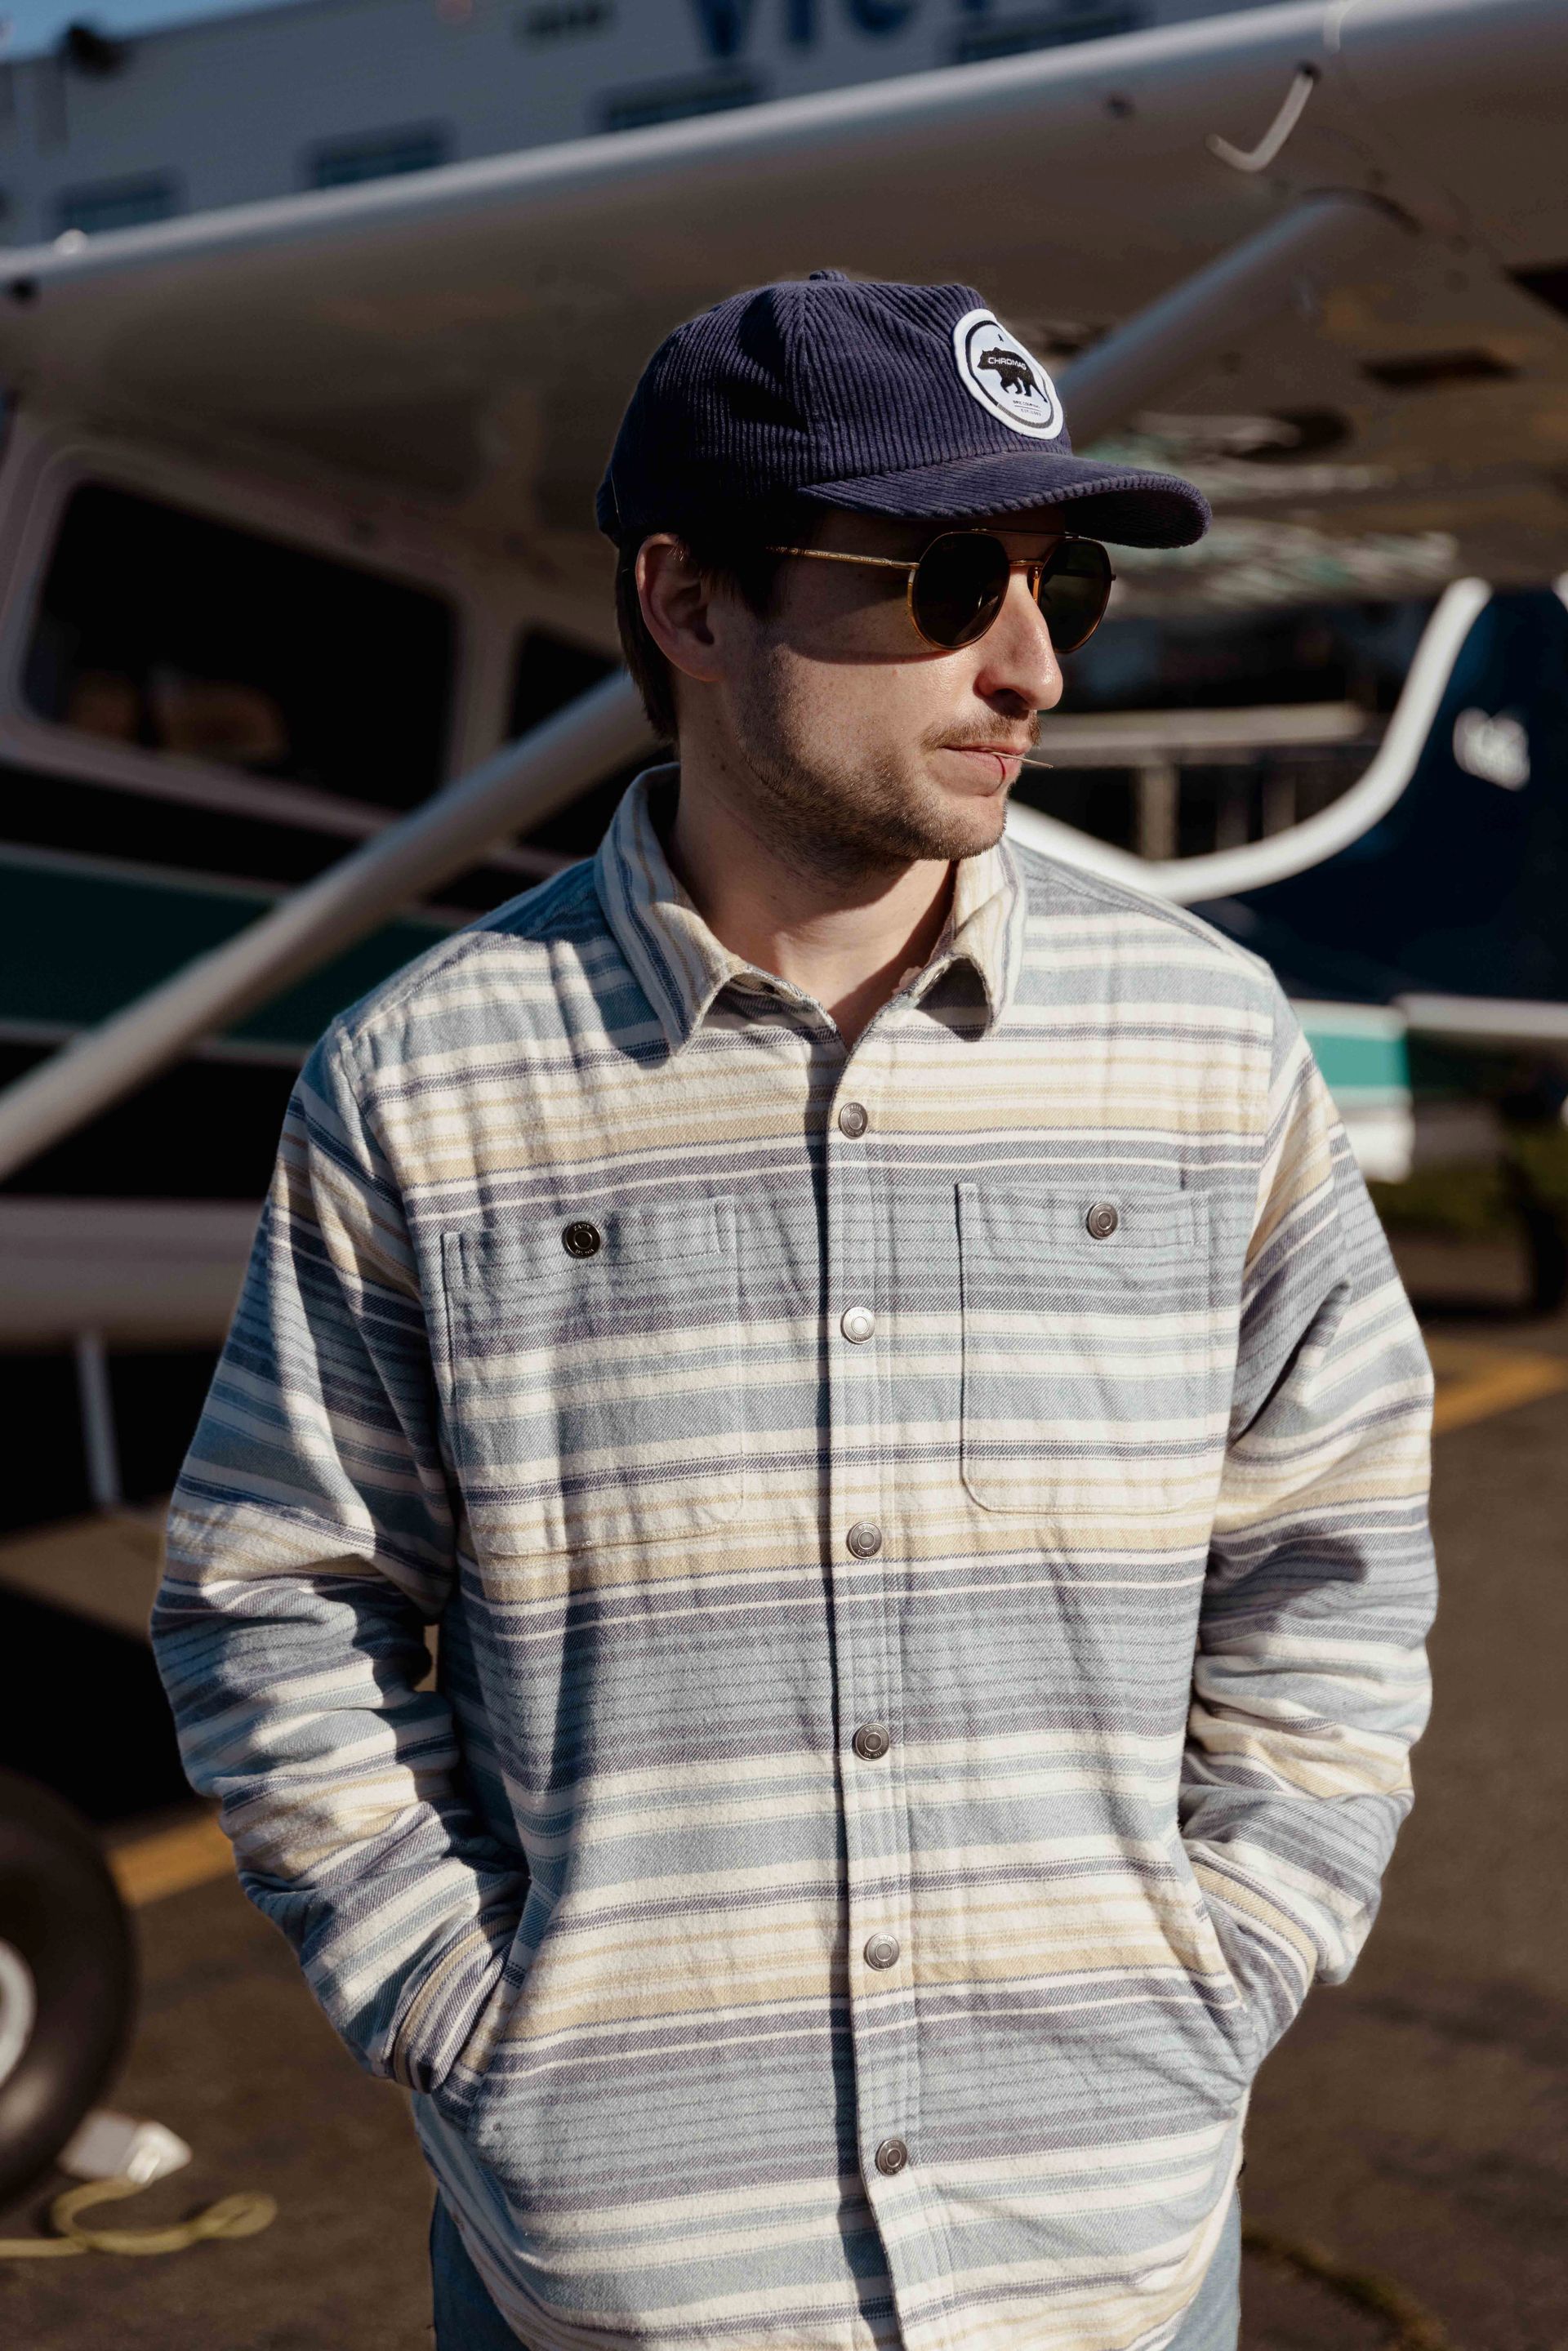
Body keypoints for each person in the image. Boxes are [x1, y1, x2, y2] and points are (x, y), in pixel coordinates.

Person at [150, 271, 1437, 2351]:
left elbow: (1335, 1554)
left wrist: (1240, 1954)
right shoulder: (421, 1081)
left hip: (1103, 2244)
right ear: (688, 600)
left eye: (1065, 582)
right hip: (621, 2274)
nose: (1028, 663)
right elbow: (278, 1594)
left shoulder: (1211, 1048)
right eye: (943, 580)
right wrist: (466, 2018)